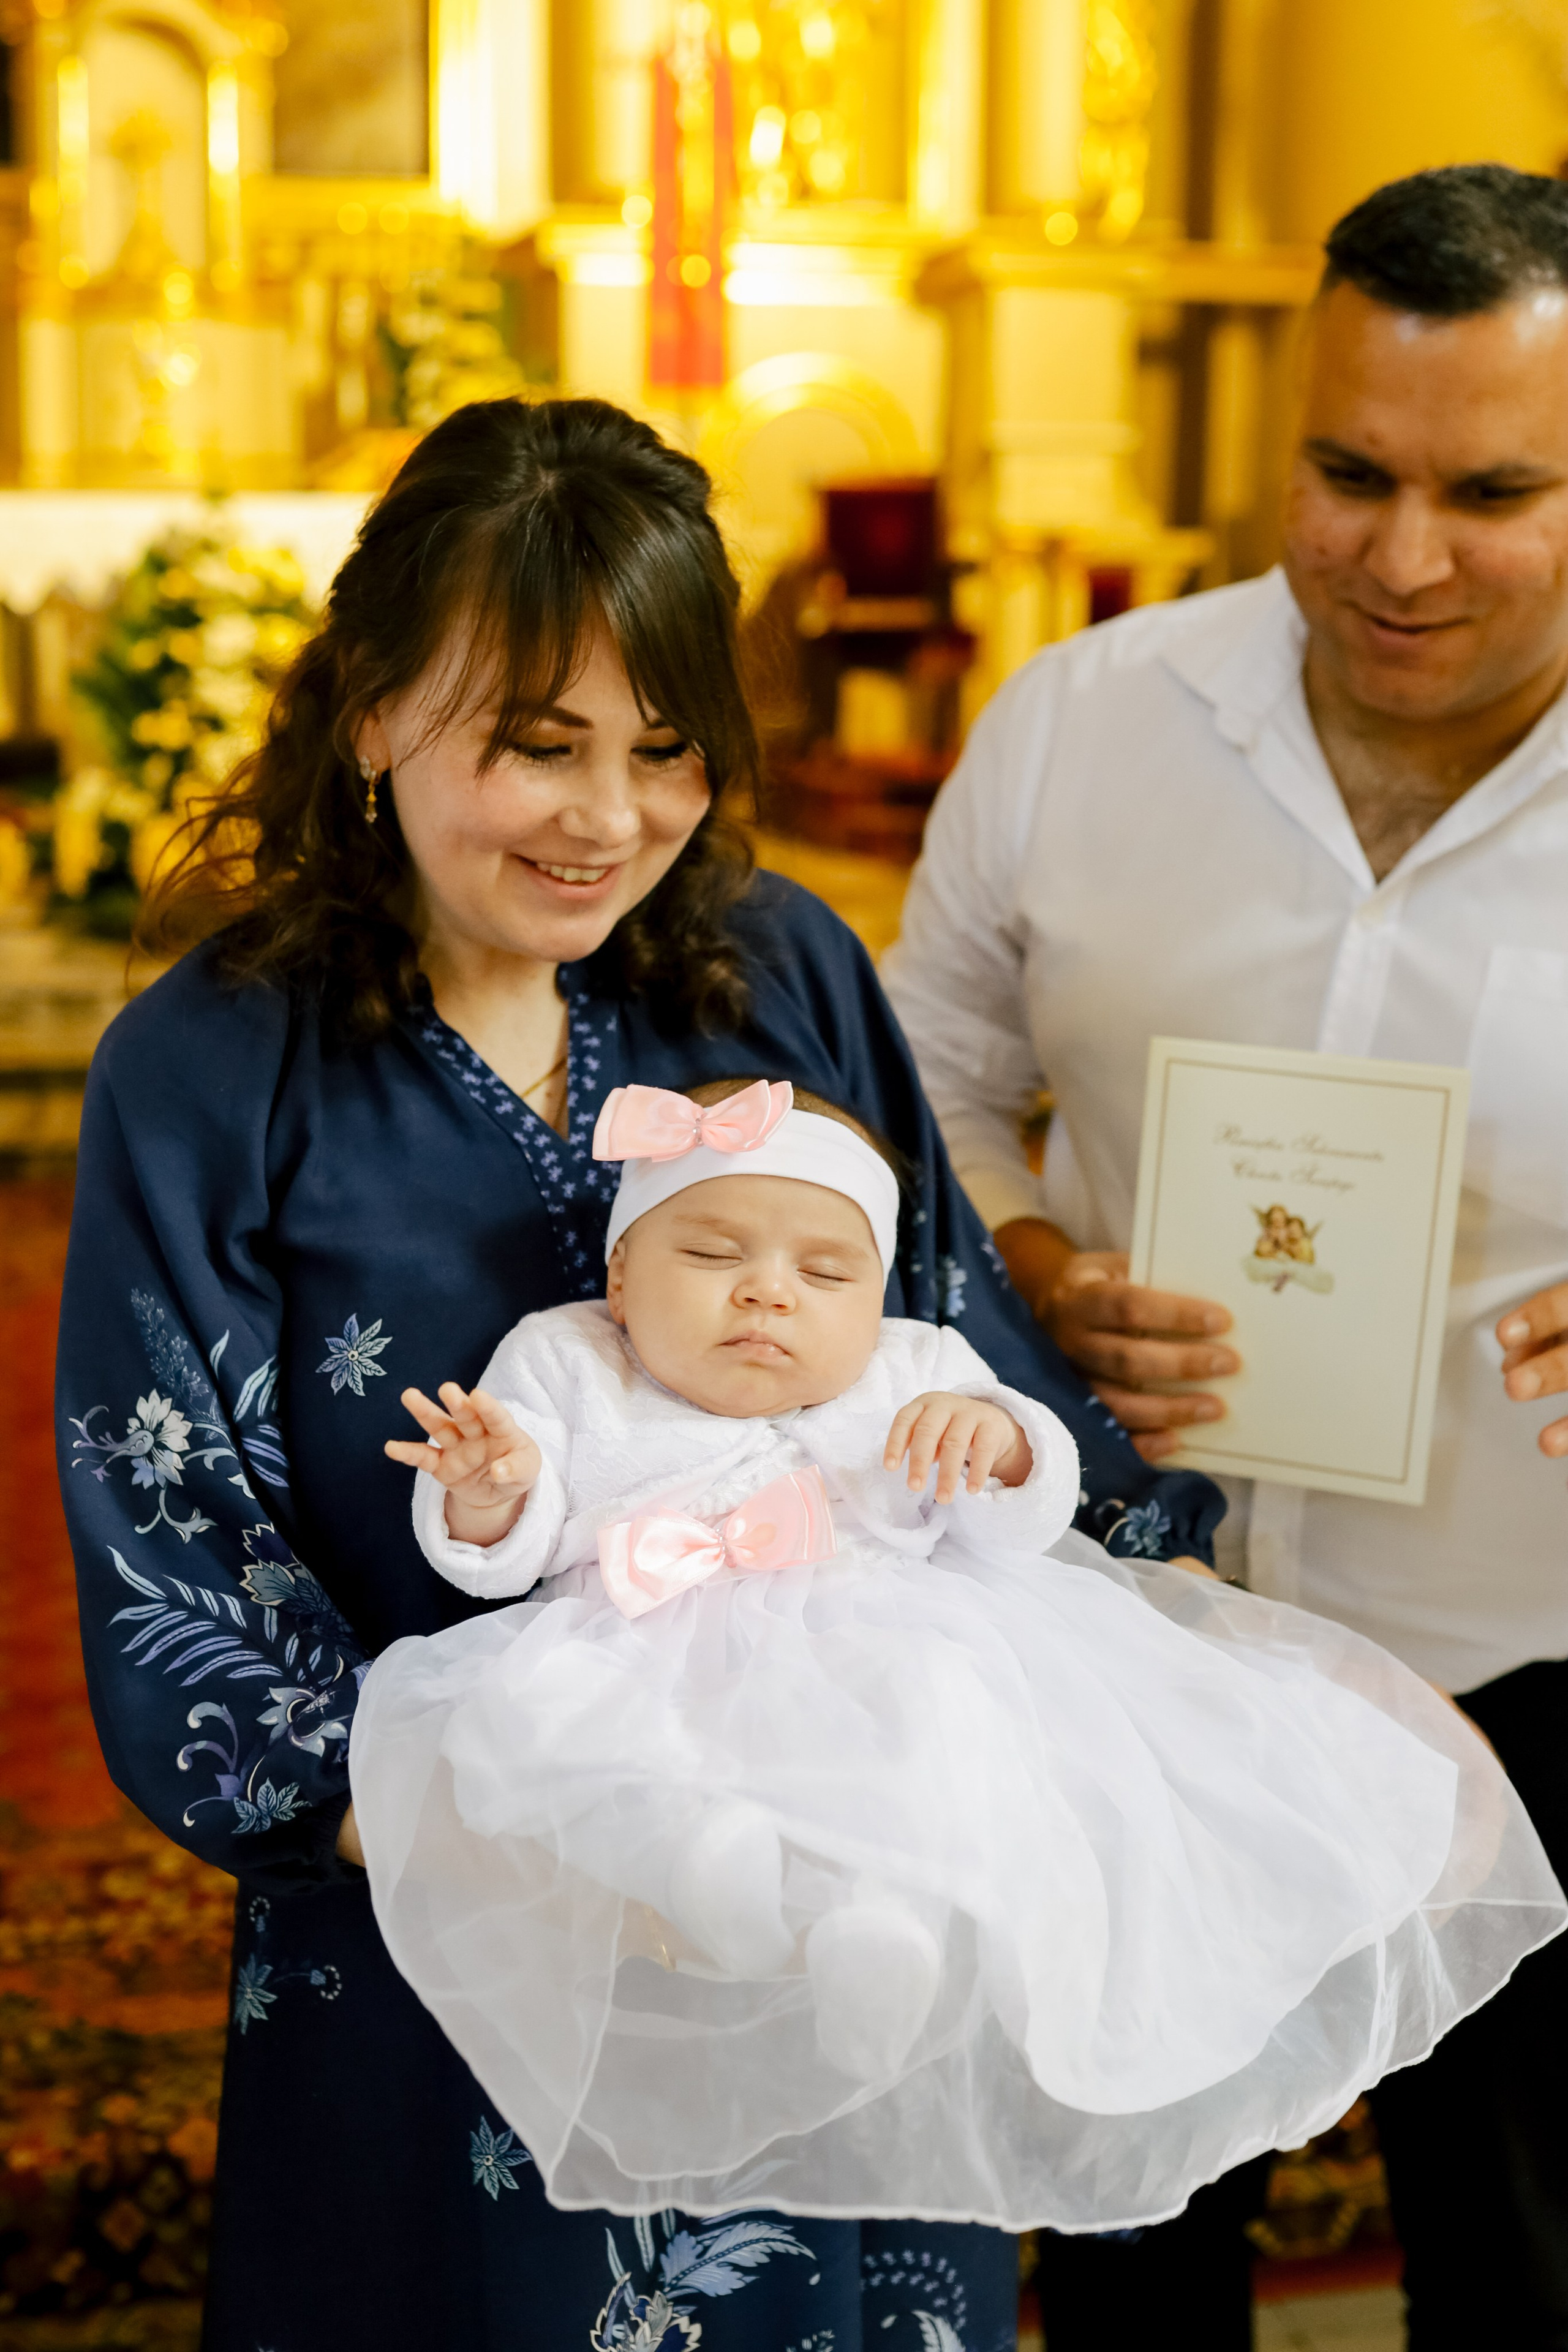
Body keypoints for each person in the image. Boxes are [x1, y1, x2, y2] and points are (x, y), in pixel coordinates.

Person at [57, 396, 1221, 2352]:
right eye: (537, 743)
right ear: (366, 708)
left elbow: (937, 1331)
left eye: (663, 749)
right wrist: (528, 1836)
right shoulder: (209, 1069)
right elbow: (177, 1556)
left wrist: (1118, 1586)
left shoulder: (776, 971)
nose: (608, 815)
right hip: (453, 1933)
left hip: (850, 1891)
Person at [883, 164, 1568, 2350]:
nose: (1401, 556)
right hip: (1127, 1641)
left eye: (1496, 491)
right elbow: (920, 1077)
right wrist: (1017, 1264)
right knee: (1126, 2260)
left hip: (1532, 1660)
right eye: (1347, 472)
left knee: (1532, 2262)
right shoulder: (1086, 725)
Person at [349, 1074, 1559, 2235]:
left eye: (824, 1272)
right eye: (711, 1255)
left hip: (879, 1639)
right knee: (554, 1734)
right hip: (640, 1648)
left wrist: (999, 1443)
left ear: (875, 1295)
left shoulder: (914, 1366)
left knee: (939, 1733)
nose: (767, 1294)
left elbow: (1018, 1526)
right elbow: (505, 1548)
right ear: (619, 1276)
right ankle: (717, 1872)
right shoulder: (566, 1359)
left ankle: (883, 1928)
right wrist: (490, 1489)